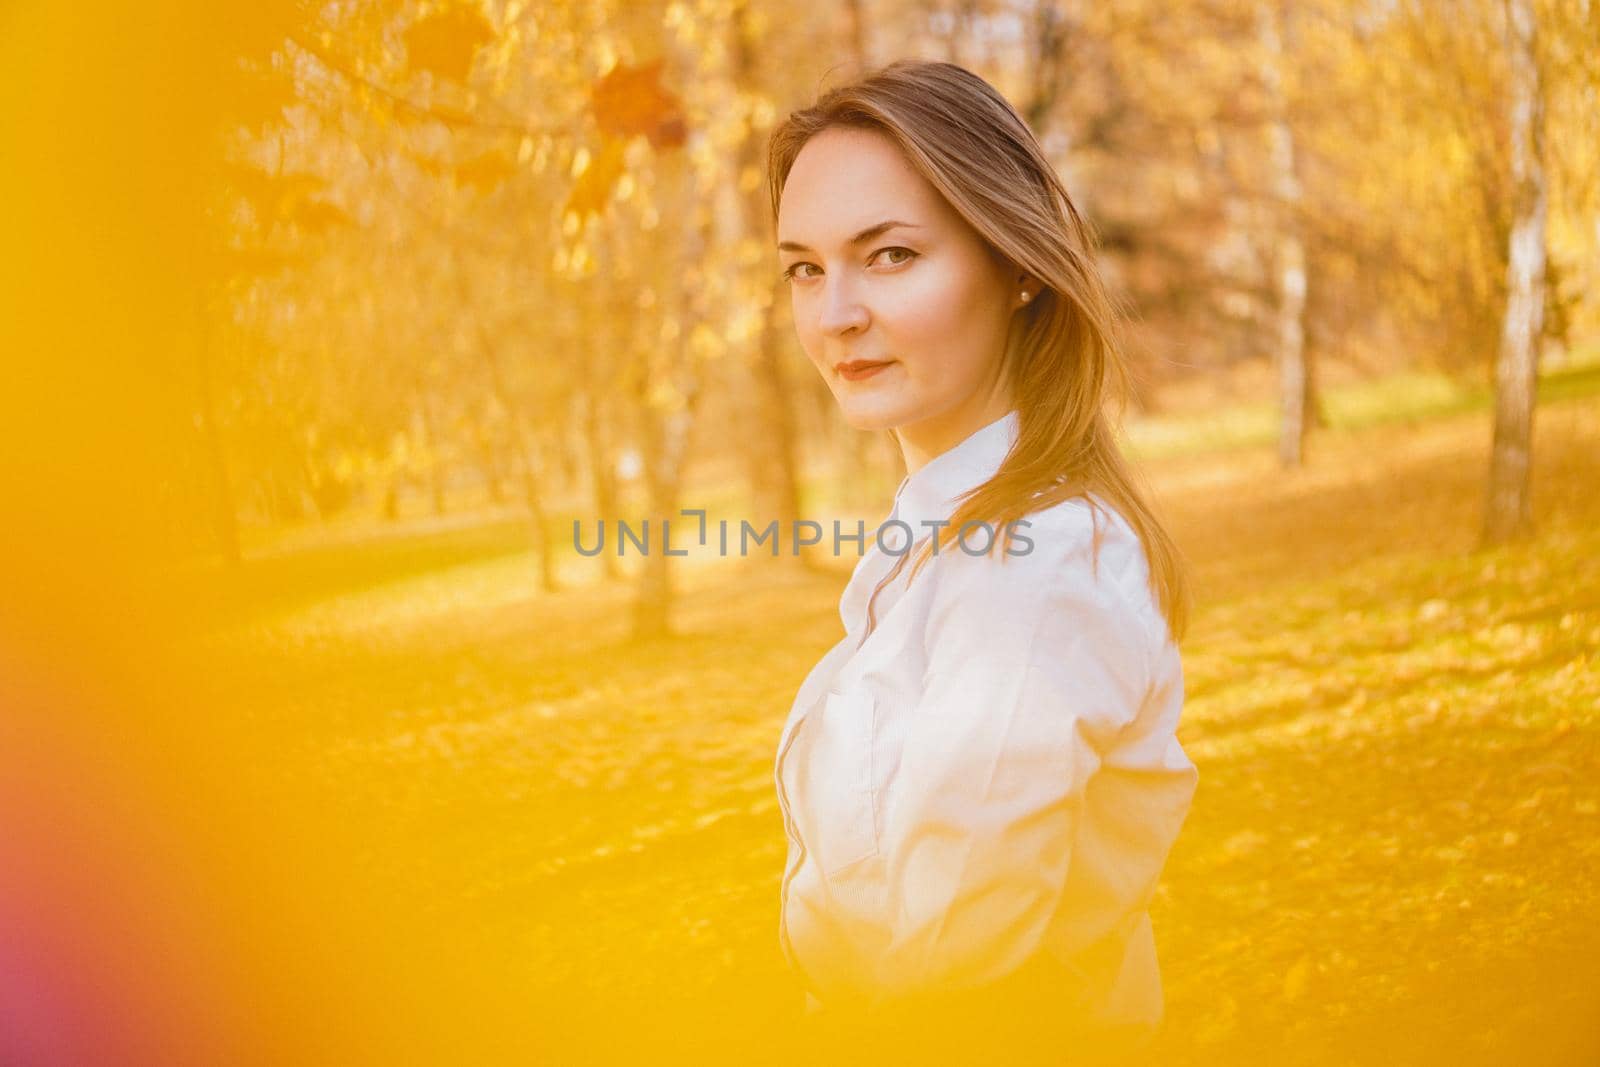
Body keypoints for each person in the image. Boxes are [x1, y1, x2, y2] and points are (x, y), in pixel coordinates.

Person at [767, 60, 1199, 1063]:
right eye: (803, 266)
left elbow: (957, 997)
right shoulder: (948, 537)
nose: (834, 315)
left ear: (1017, 264)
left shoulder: (1034, 576)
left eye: (889, 255)